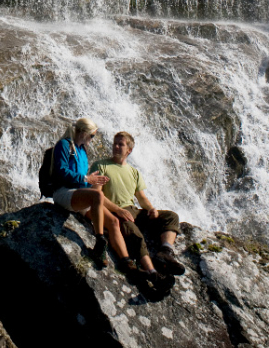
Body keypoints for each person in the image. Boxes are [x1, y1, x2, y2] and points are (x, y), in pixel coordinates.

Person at [91, 131, 186, 283]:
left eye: (120, 144)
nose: (116, 147)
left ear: (129, 150)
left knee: (171, 216)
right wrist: (118, 210)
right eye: (114, 143)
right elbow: (96, 196)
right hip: (115, 212)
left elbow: (141, 197)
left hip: (134, 210)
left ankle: (165, 252)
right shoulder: (100, 165)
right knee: (135, 234)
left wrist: (151, 209)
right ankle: (152, 272)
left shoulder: (133, 172)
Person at [51, 117, 137, 269]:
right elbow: (61, 171)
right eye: (92, 136)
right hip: (63, 192)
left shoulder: (82, 151)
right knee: (97, 195)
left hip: (78, 194)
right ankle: (99, 241)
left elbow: (82, 180)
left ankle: (127, 262)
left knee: (113, 221)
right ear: (84, 133)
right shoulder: (64, 145)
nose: (93, 139)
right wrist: (86, 178)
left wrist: (92, 182)